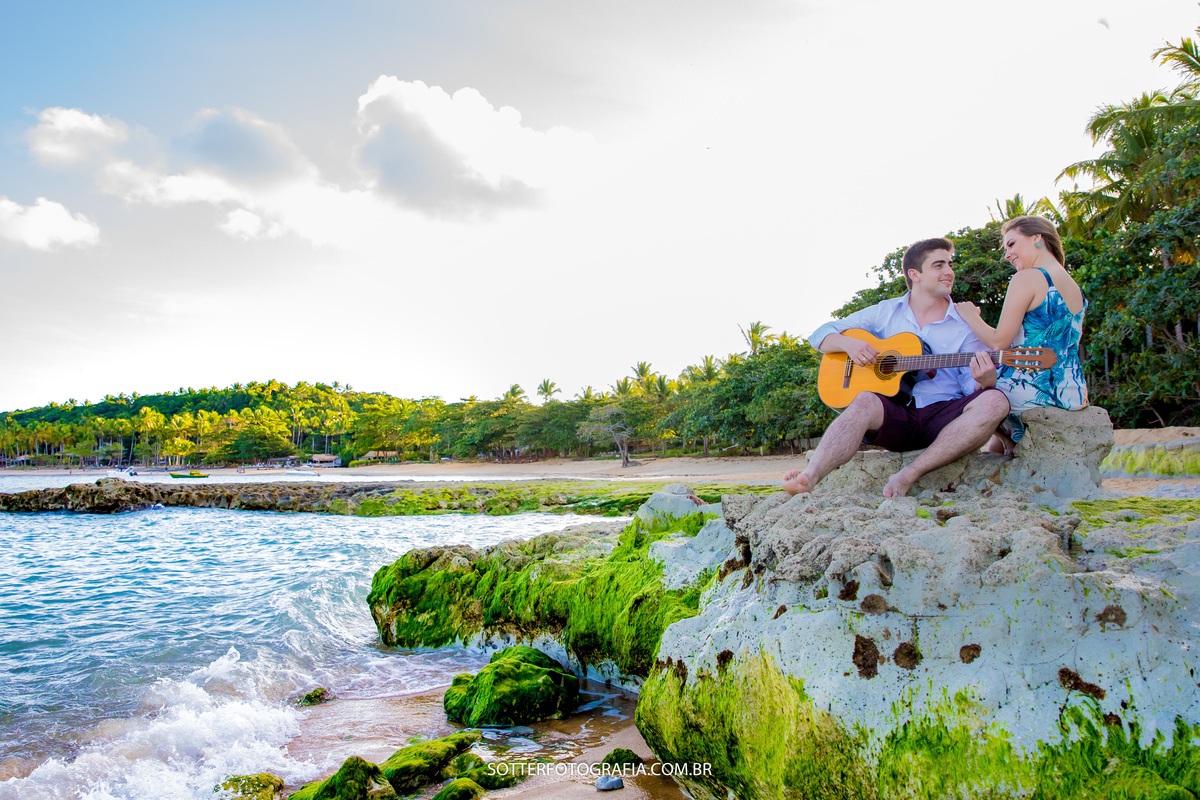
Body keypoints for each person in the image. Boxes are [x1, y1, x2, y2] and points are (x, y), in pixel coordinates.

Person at [782, 238, 1010, 497]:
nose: (949, 272)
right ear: (915, 274)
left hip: (944, 420)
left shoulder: (965, 321)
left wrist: (985, 380)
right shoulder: (886, 312)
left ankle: (910, 473)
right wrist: (848, 344)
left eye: (950, 264)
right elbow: (820, 334)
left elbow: (971, 386)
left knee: (994, 401)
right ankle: (808, 478)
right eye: (939, 265)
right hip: (896, 416)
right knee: (864, 400)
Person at [955, 216, 1088, 454]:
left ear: (1037, 239)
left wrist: (970, 315)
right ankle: (1004, 452)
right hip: (1070, 391)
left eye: (1012, 244)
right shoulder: (1072, 285)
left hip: (1034, 390)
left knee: (960, 388)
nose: (1006, 254)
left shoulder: (1027, 278)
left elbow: (999, 340)